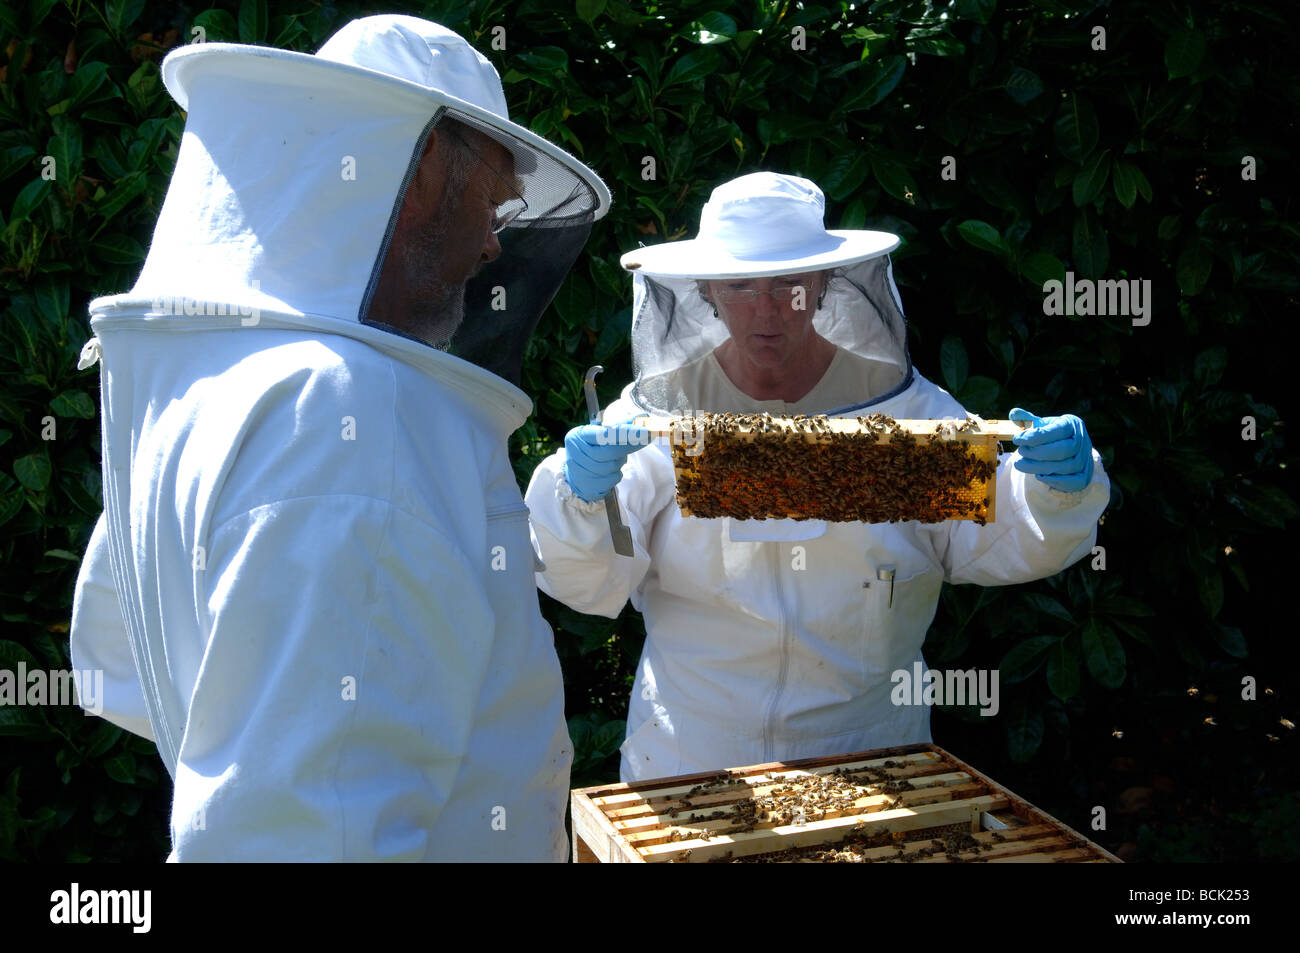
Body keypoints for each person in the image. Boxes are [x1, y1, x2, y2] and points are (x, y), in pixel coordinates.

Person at [68, 15, 610, 861]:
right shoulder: (350, 411)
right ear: (425, 169)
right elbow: (307, 836)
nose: (495, 242)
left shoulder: (217, 376)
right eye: (492, 201)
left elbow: (120, 671)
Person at [526, 172, 1108, 783]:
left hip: (872, 750)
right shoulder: (654, 417)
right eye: (741, 285)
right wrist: (579, 504)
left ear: (825, 284)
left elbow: (981, 538)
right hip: (692, 749)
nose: (767, 309)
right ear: (707, 292)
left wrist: (1054, 489)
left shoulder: (905, 413)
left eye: (789, 284)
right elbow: (587, 587)